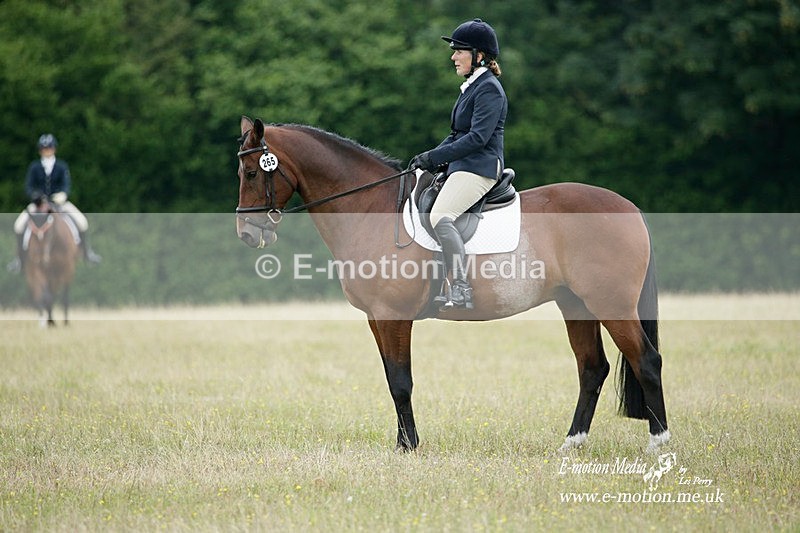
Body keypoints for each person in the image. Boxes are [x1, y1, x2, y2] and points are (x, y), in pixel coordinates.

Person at [410, 18, 507, 310]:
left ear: (479, 55)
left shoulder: (489, 89)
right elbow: (456, 135)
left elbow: (477, 138)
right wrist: (427, 157)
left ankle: (462, 288)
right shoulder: (472, 87)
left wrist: (436, 157)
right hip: (463, 165)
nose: (453, 57)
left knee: (441, 216)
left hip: (480, 167)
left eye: (459, 51)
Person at [8, 133, 101, 272]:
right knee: (18, 225)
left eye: (49, 148)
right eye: (44, 148)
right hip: (39, 204)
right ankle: (19, 260)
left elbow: (66, 184)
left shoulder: (61, 166)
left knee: (82, 221)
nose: (47, 151)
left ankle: (87, 253)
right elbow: (28, 187)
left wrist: (62, 194)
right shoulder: (34, 167)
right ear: (40, 150)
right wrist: (35, 196)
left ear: (54, 149)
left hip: (59, 203)